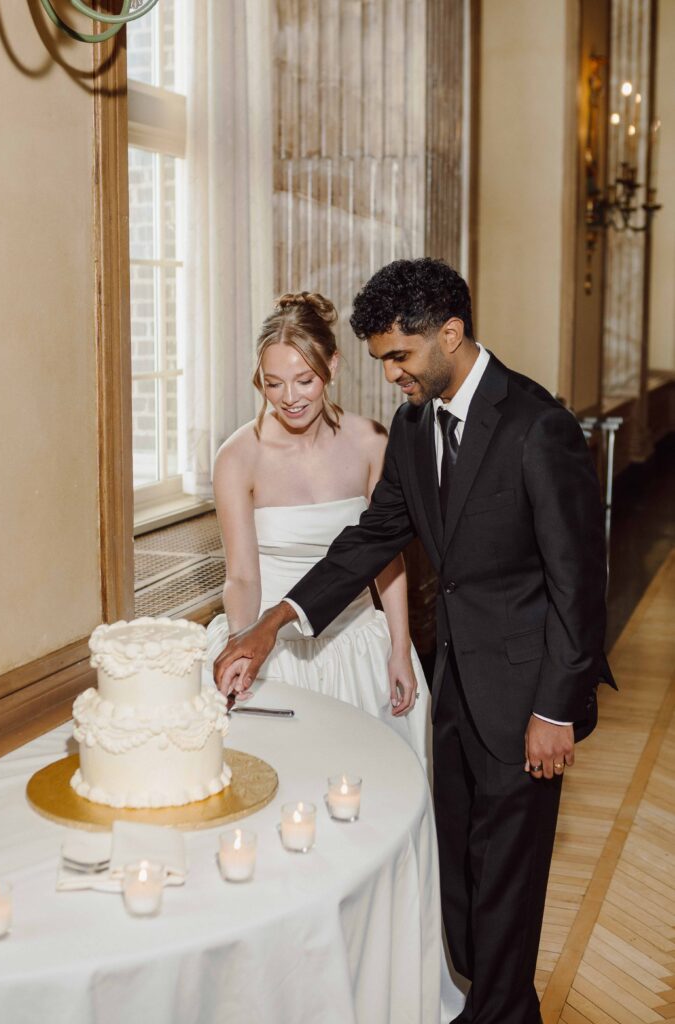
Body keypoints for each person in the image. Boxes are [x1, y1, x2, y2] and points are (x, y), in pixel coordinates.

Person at [214, 259, 616, 1024]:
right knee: (460, 868)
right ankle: (490, 996)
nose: (391, 374)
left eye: (400, 356)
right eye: (381, 361)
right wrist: (273, 622)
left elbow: (578, 582)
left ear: (450, 333)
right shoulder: (412, 425)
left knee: (506, 874)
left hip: (528, 694)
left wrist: (557, 711)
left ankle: (499, 1012)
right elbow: (373, 537)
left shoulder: (537, 426)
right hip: (457, 684)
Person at [205, 290, 430, 771]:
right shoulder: (237, 458)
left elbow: (387, 556)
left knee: (373, 782)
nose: (290, 398)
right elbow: (242, 576)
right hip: (273, 645)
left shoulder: (370, 441)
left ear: (333, 365)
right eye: (273, 383)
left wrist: (399, 648)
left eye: (305, 380)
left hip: (356, 643)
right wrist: (245, 645)